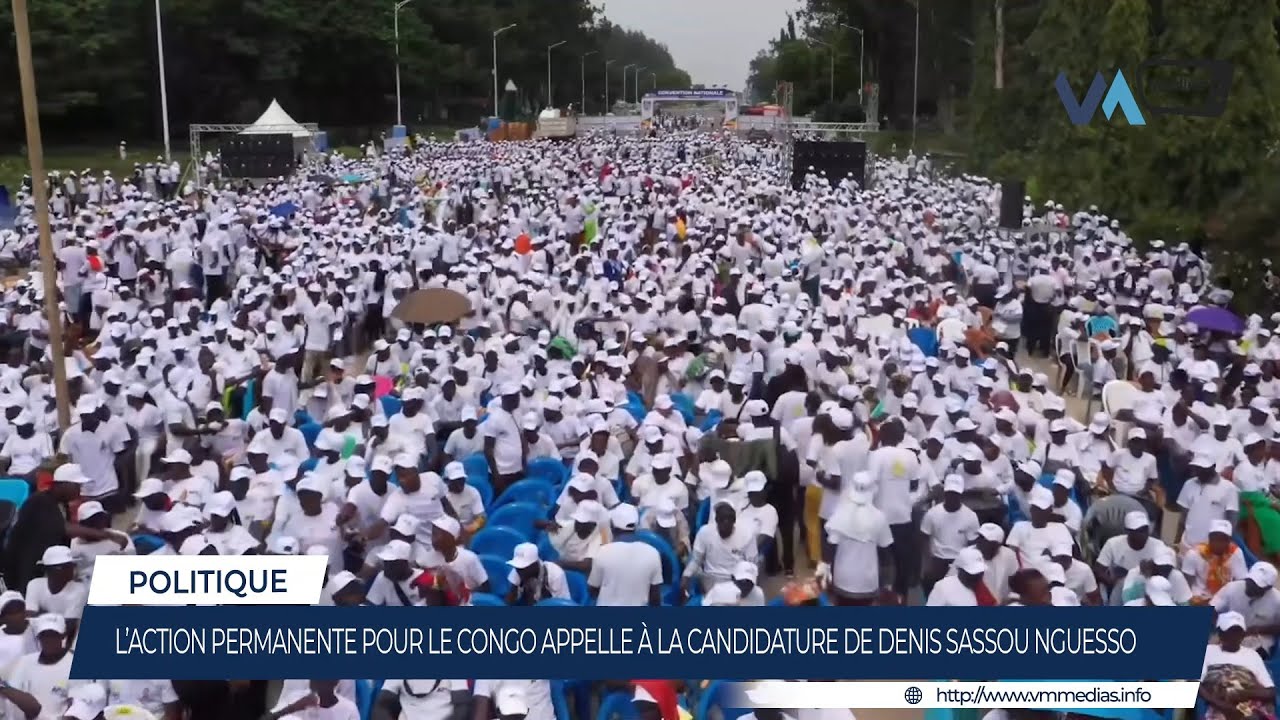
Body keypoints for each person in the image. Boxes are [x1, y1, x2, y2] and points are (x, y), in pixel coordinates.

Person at [1199, 612, 1275, 720]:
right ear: (1220, 633)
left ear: (1243, 634)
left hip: (1246, 705)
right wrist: (1222, 705)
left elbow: (1270, 691)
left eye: (1238, 632)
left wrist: (1242, 693)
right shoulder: (1208, 651)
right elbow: (1196, 684)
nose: (1234, 636)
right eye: (1229, 632)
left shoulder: (1252, 655)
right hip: (1217, 704)